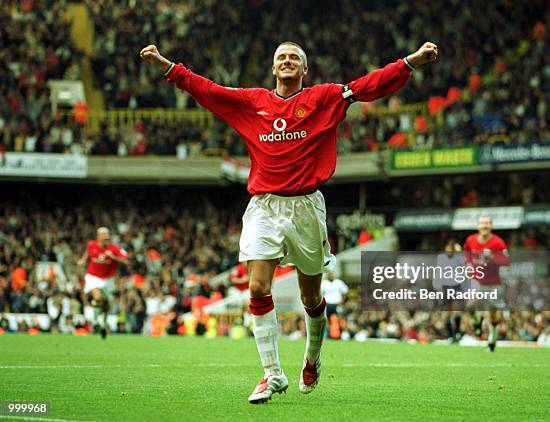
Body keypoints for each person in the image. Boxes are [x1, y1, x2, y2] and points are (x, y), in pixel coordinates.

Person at [140, 39, 438, 404]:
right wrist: (168, 67)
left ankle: (312, 358)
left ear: (304, 69)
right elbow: (208, 90)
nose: (287, 61)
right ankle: (271, 374)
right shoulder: (252, 102)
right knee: (257, 289)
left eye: (294, 57)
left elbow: (367, 86)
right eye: (281, 56)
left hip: (307, 209)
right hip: (264, 207)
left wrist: (410, 62)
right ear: (273, 67)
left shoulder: (323, 98)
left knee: (310, 296)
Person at [463, 216, 510, 352]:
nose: (485, 225)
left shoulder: (498, 243)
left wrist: (493, 257)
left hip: (494, 283)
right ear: (478, 226)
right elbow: (466, 252)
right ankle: (477, 324)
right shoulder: (471, 240)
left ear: (491, 226)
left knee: (492, 315)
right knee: (471, 305)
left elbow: (506, 261)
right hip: (477, 279)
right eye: (482, 223)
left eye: (487, 223)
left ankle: (492, 341)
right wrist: (469, 264)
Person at [78, 227, 128, 339]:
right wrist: (83, 259)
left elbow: (126, 261)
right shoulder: (92, 245)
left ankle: (102, 324)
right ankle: (95, 319)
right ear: (98, 236)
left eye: (107, 235)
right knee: (97, 296)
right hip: (93, 277)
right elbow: (88, 252)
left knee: (105, 305)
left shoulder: (115, 249)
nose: (106, 237)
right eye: (104, 235)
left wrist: (113, 257)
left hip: (108, 280)